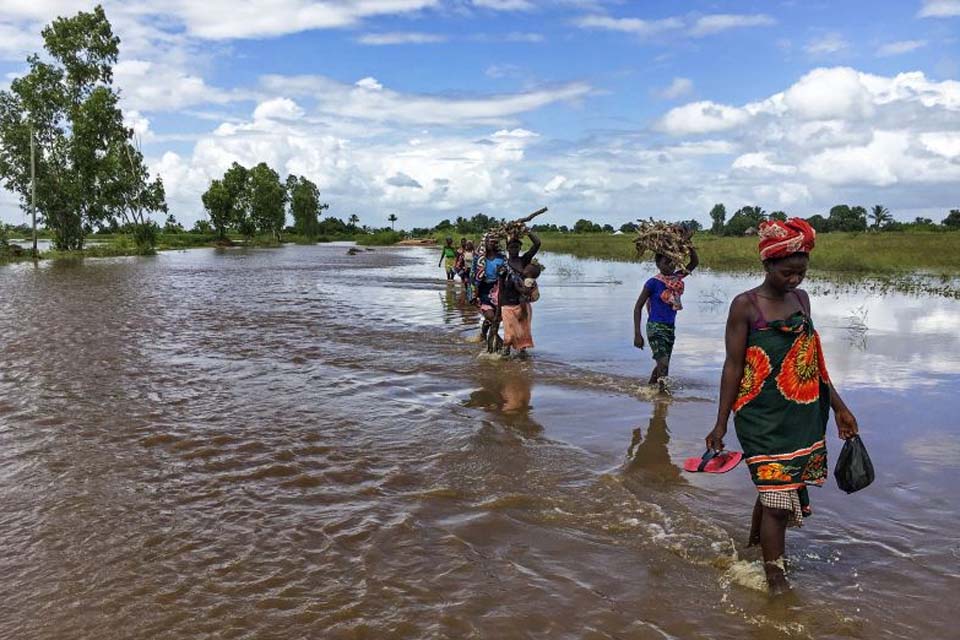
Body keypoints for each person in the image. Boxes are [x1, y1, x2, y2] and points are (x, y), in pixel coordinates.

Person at [704, 217, 859, 594]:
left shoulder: (801, 300)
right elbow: (733, 366)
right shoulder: (745, 306)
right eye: (787, 273)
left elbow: (813, 360)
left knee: (780, 488)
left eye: (801, 273)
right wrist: (720, 423)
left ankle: (754, 545)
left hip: (802, 414)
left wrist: (839, 406)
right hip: (760, 417)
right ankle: (776, 581)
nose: (794, 280)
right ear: (767, 265)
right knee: (777, 500)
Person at [633, 235, 699, 388]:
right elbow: (638, 307)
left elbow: (694, 262)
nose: (670, 265)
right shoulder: (653, 283)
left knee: (663, 364)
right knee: (664, 366)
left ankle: (649, 390)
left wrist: (687, 244)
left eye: (672, 262)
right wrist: (637, 333)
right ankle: (663, 400)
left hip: (669, 328)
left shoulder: (677, 278)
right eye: (665, 262)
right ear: (658, 264)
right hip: (655, 327)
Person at [498, 231, 542, 358]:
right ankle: (504, 357)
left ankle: (522, 359)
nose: (514, 249)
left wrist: (527, 231)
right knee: (509, 335)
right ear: (507, 248)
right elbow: (500, 286)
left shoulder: (524, 261)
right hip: (507, 303)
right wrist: (498, 309)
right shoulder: (503, 266)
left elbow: (537, 243)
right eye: (511, 247)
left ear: (520, 248)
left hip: (522, 303)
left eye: (516, 247)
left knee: (523, 334)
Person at [475, 234, 506, 352]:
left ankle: (484, 337)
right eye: (489, 241)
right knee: (492, 318)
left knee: (495, 318)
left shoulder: (502, 258)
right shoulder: (478, 258)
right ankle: (495, 343)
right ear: (485, 243)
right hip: (483, 291)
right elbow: (474, 276)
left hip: (498, 290)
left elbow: (506, 274)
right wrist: (474, 295)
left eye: (494, 242)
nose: (492, 244)